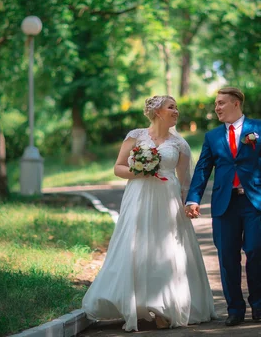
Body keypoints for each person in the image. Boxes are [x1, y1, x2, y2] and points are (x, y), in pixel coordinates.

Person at [82, 95, 217, 332]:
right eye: (171, 107)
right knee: (136, 246)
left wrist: (189, 205)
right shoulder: (136, 136)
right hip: (138, 196)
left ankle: (164, 308)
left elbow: (185, 181)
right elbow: (118, 167)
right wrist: (140, 170)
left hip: (167, 199)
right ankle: (136, 305)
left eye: (177, 108)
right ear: (157, 112)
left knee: (165, 249)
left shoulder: (180, 144)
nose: (176, 111)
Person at [185, 87, 261, 327]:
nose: (217, 107)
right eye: (216, 103)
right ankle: (235, 309)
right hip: (224, 204)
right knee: (227, 257)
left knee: (257, 250)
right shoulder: (212, 137)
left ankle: (258, 305)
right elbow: (203, 169)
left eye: (221, 103)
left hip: (255, 201)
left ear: (236, 104)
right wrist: (193, 198)